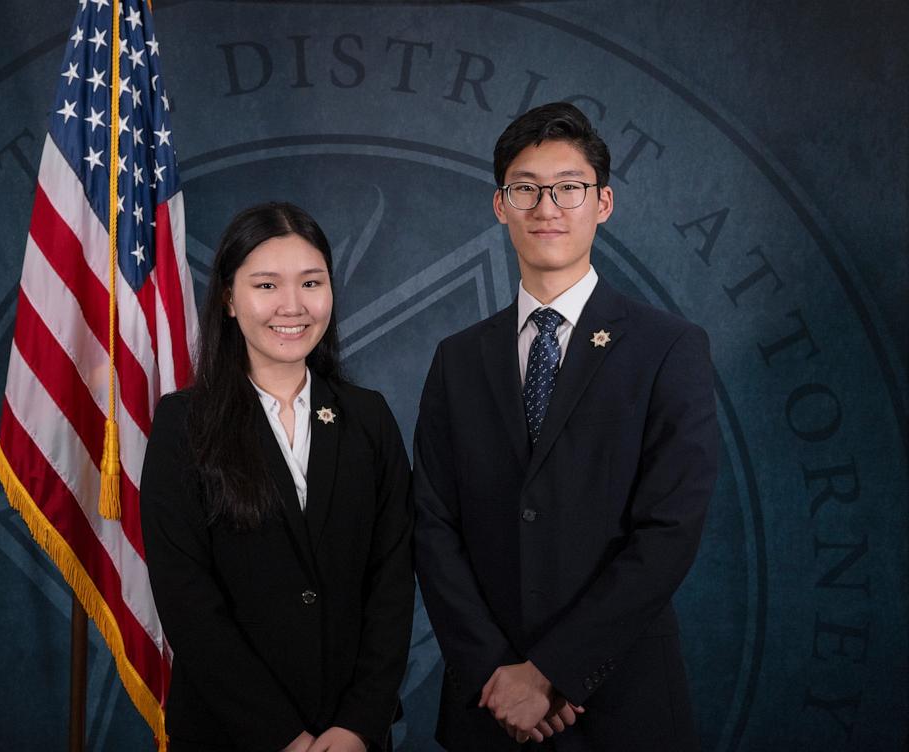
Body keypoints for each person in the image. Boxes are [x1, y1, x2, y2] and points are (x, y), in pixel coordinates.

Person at [412, 102, 719, 751]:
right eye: (525, 188)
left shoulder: (668, 348)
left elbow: (669, 531)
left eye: (569, 188)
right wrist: (498, 673)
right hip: (487, 708)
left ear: (602, 202)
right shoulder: (458, 359)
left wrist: (552, 673)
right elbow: (433, 526)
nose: (546, 206)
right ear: (501, 205)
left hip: (620, 705)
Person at [141, 202, 413, 752]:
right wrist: (284, 738)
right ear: (229, 299)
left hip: (352, 735)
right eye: (266, 285)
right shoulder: (181, 425)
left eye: (311, 283)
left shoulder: (369, 418)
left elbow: (393, 581)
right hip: (230, 734)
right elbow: (186, 601)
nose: (293, 306)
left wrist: (358, 725)